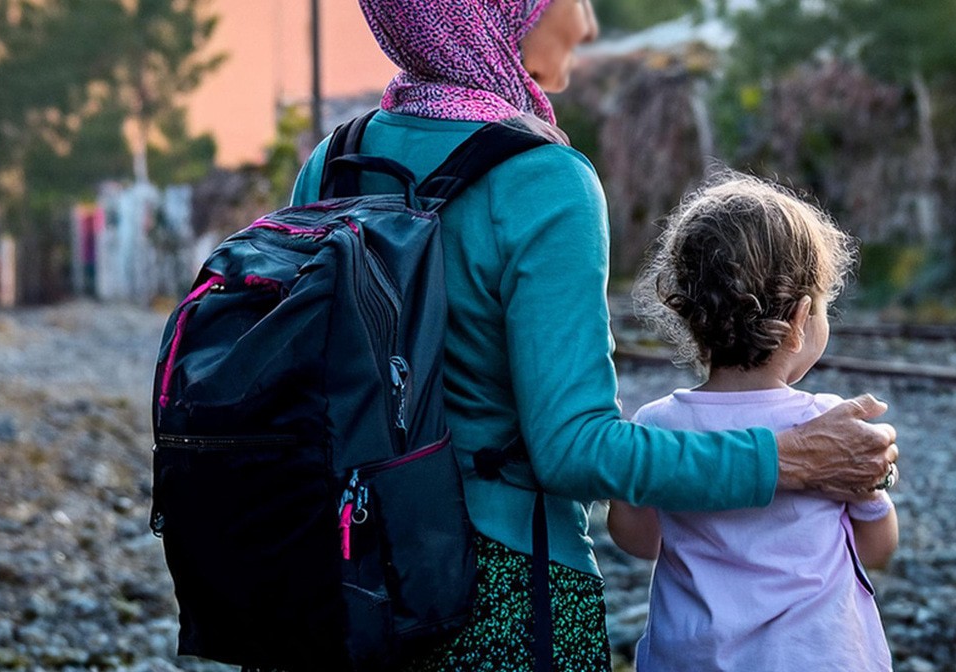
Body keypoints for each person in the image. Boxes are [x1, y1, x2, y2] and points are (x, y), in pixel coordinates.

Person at [290, 1, 899, 669]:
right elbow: (571, 452)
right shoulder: (541, 179)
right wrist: (789, 460)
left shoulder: (333, 163)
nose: (587, 25)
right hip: (497, 591)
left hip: (342, 577)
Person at [607, 173, 898, 672]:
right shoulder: (828, 427)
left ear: (690, 314)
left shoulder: (657, 425)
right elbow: (877, 549)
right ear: (803, 317)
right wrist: (873, 488)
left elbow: (638, 540)